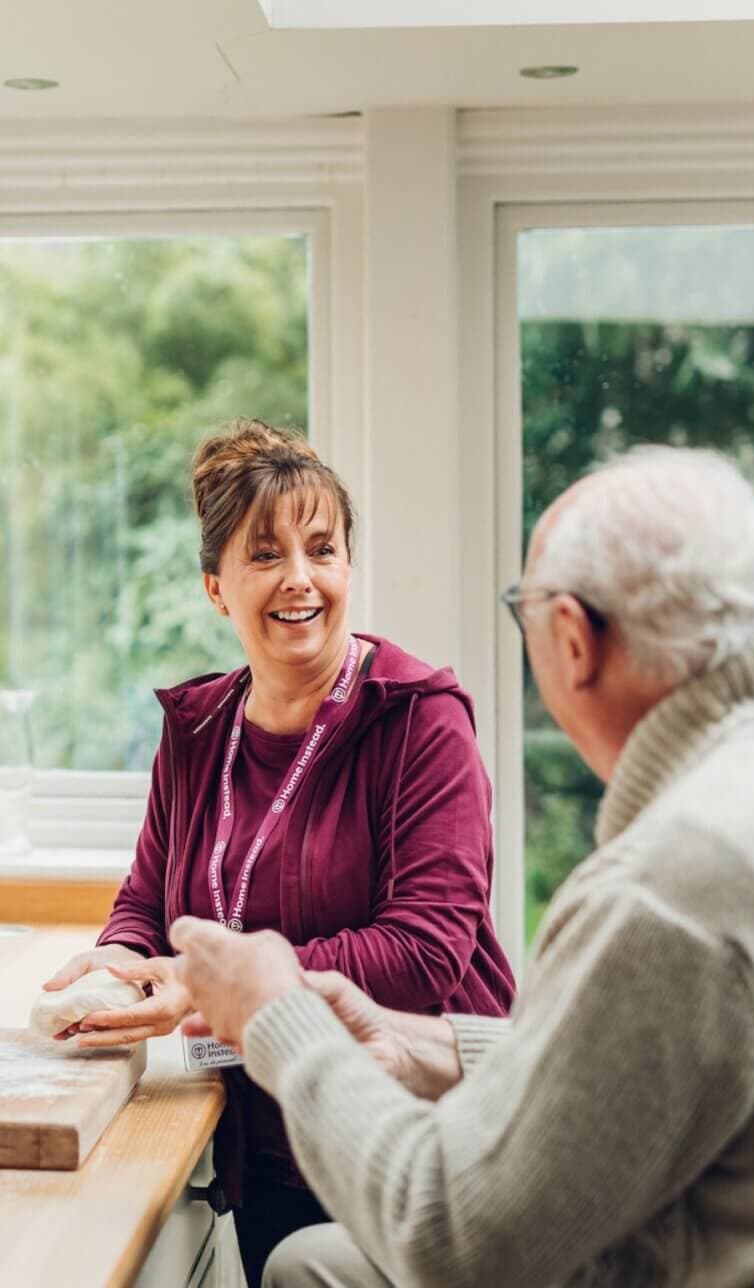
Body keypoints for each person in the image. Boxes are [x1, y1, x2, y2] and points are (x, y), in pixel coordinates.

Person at [170, 445, 754, 1287]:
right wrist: (428, 1046)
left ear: (571, 637)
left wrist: (281, 1021)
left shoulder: (677, 885)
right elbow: (667, 1059)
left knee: (305, 1269)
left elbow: (449, 1235)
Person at [42, 420, 515, 1288]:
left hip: (413, 1137)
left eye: (322, 549)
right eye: (266, 555)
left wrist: (219, 991)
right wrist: (120, 961)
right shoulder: (198, 729)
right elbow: (149, 899)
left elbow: (423, 956)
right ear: (217, 587)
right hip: (260, 1142)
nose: (301, 578)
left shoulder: (419, 720)